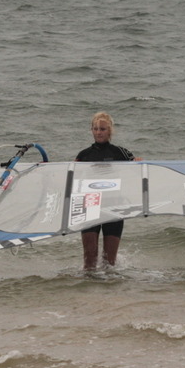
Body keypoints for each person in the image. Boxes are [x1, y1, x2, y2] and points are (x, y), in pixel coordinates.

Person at [75, 112, 138, 270]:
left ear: (110, 131)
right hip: (90, 205)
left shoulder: (120, 153)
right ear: (91, 130)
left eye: (102, 129)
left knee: (109, 263)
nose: (98, 132)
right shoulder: (83, 155)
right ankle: (87, 292)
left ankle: (109, 293)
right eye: (95, 129)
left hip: (114, 206)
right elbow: (71, 177)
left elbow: (139, 168)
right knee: (89, 261)